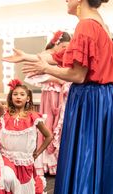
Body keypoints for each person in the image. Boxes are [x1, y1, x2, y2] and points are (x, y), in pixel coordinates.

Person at [3, 0, 113, 193]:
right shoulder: (98, 23)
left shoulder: (86, 25)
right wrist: (27, 56)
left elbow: (77, 75)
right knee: (101, 157)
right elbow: (62, 56)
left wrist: (45, 69)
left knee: (86, 156)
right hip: (104, 98)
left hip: (91, 100)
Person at [0, 79, 53, 193]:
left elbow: (49, 136)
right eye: (15, 94)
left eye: (22, 94)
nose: (18, 97)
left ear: (28, 98)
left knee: (23, 188)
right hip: (7, 158)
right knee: (7, 178)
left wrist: (37, 153)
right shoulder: (5, 114)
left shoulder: (33, 117)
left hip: (25, 161)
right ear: (11, 97)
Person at [29, 31, 71, 176]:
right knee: (47, 126)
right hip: (50, 94)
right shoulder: (46, 55)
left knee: (58, 126)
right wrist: (57, 78)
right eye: (64, 46)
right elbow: (34, 76)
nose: (66, 49)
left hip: (61, 94)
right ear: (56, 43)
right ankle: (45, 163)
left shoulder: (64, 57)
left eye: (68, 47)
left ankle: (57, 163)